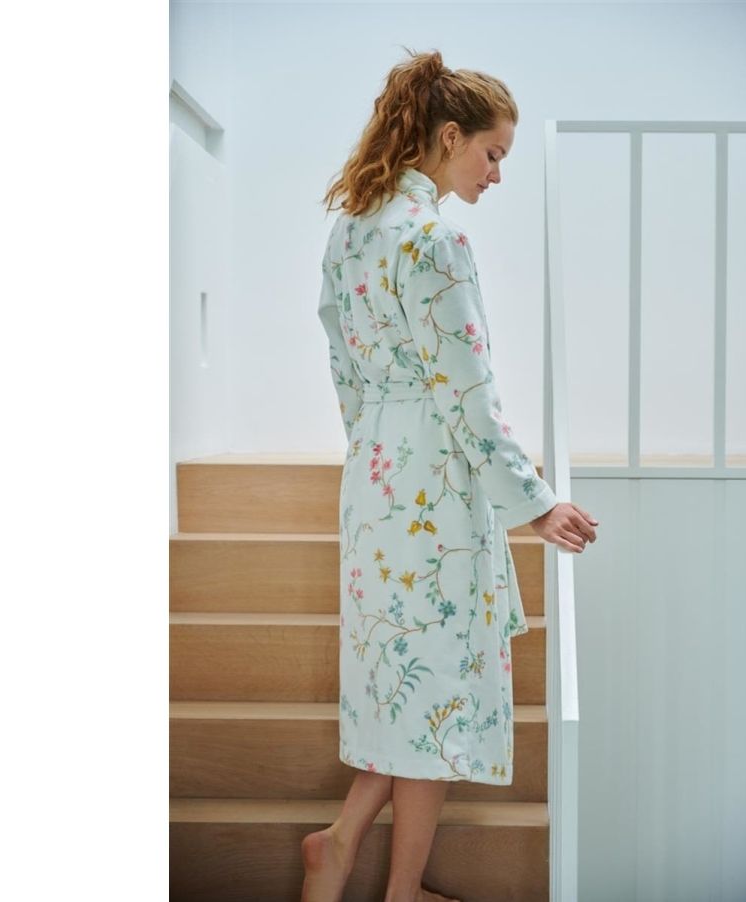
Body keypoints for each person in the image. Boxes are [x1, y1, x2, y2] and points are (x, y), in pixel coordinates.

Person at [304, 47, 599, 902]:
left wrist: (374, 450)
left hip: (374, 478)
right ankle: (392, 887)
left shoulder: (351, 232)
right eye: (492, 153)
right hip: (432, 481)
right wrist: (535, 504)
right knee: (433, 689)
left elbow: (343, 368)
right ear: (447, 137)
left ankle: (344, 849)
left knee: (411, 685)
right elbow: (468, 391)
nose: (496, 174)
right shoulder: (434, 239)